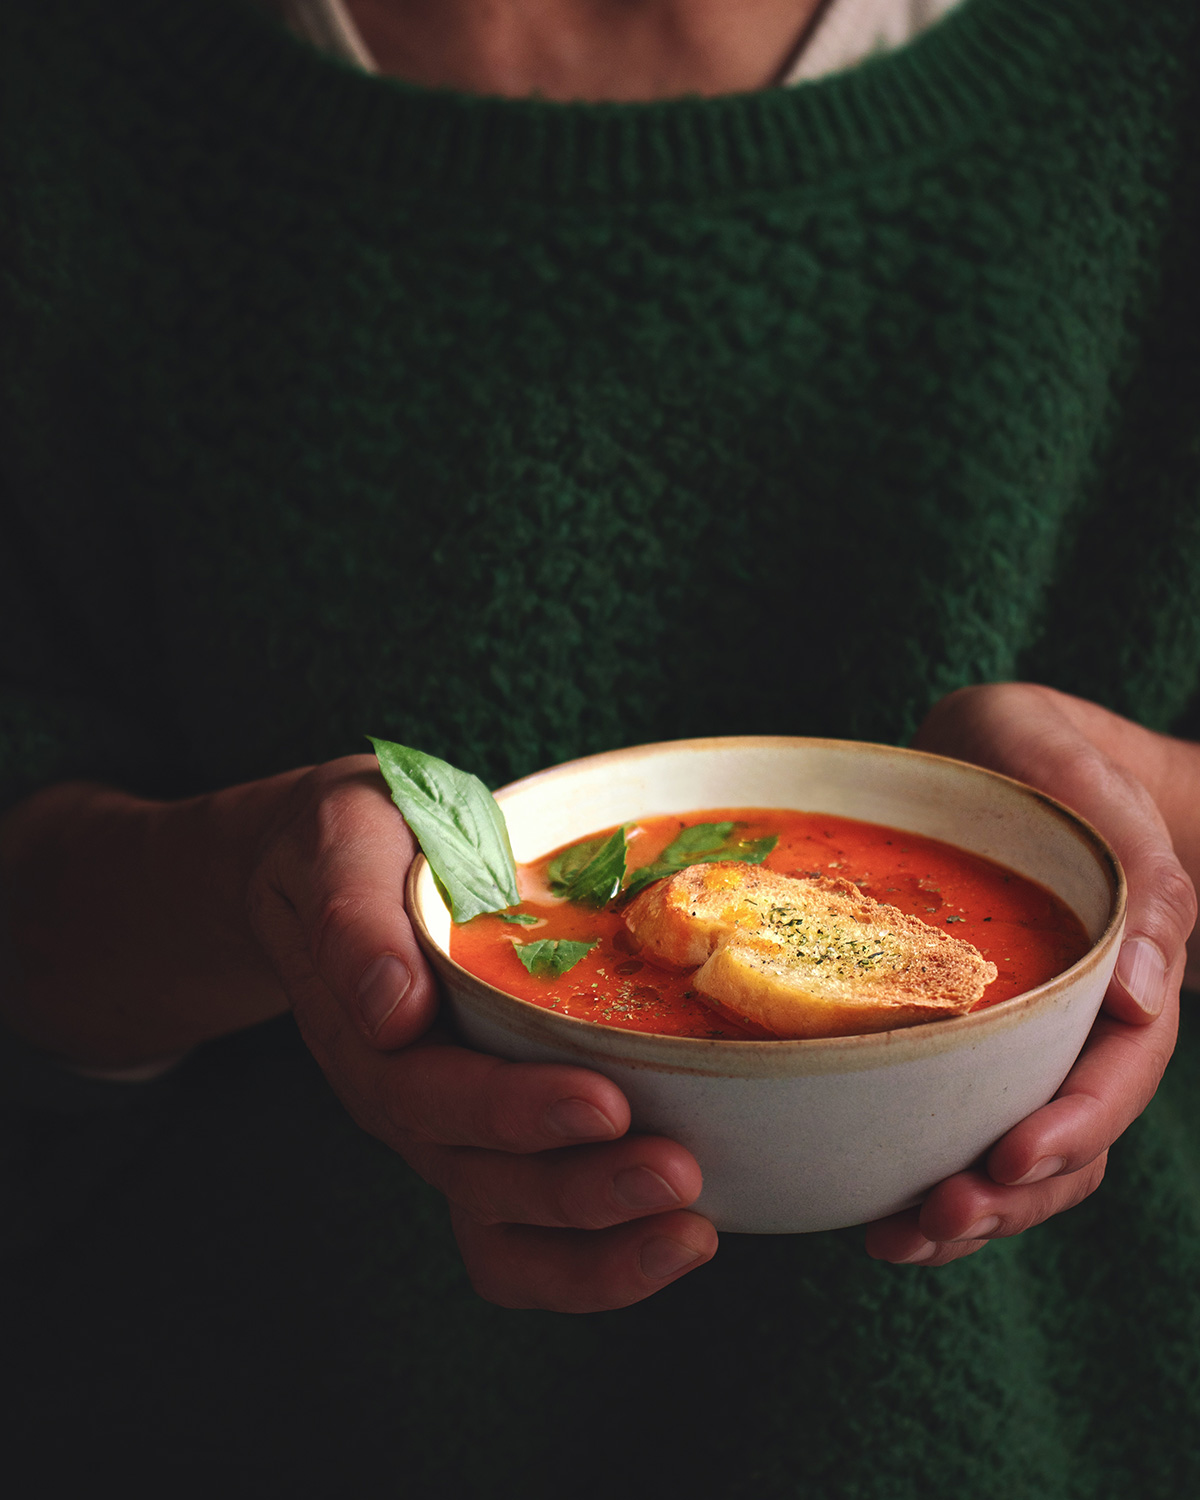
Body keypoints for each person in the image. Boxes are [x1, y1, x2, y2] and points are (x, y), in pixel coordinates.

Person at [2, 0, 1199, 1494]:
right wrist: (246, 882)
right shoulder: (67, 81)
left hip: (1071, 1421)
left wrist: (1147, 833)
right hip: (256, 1409)